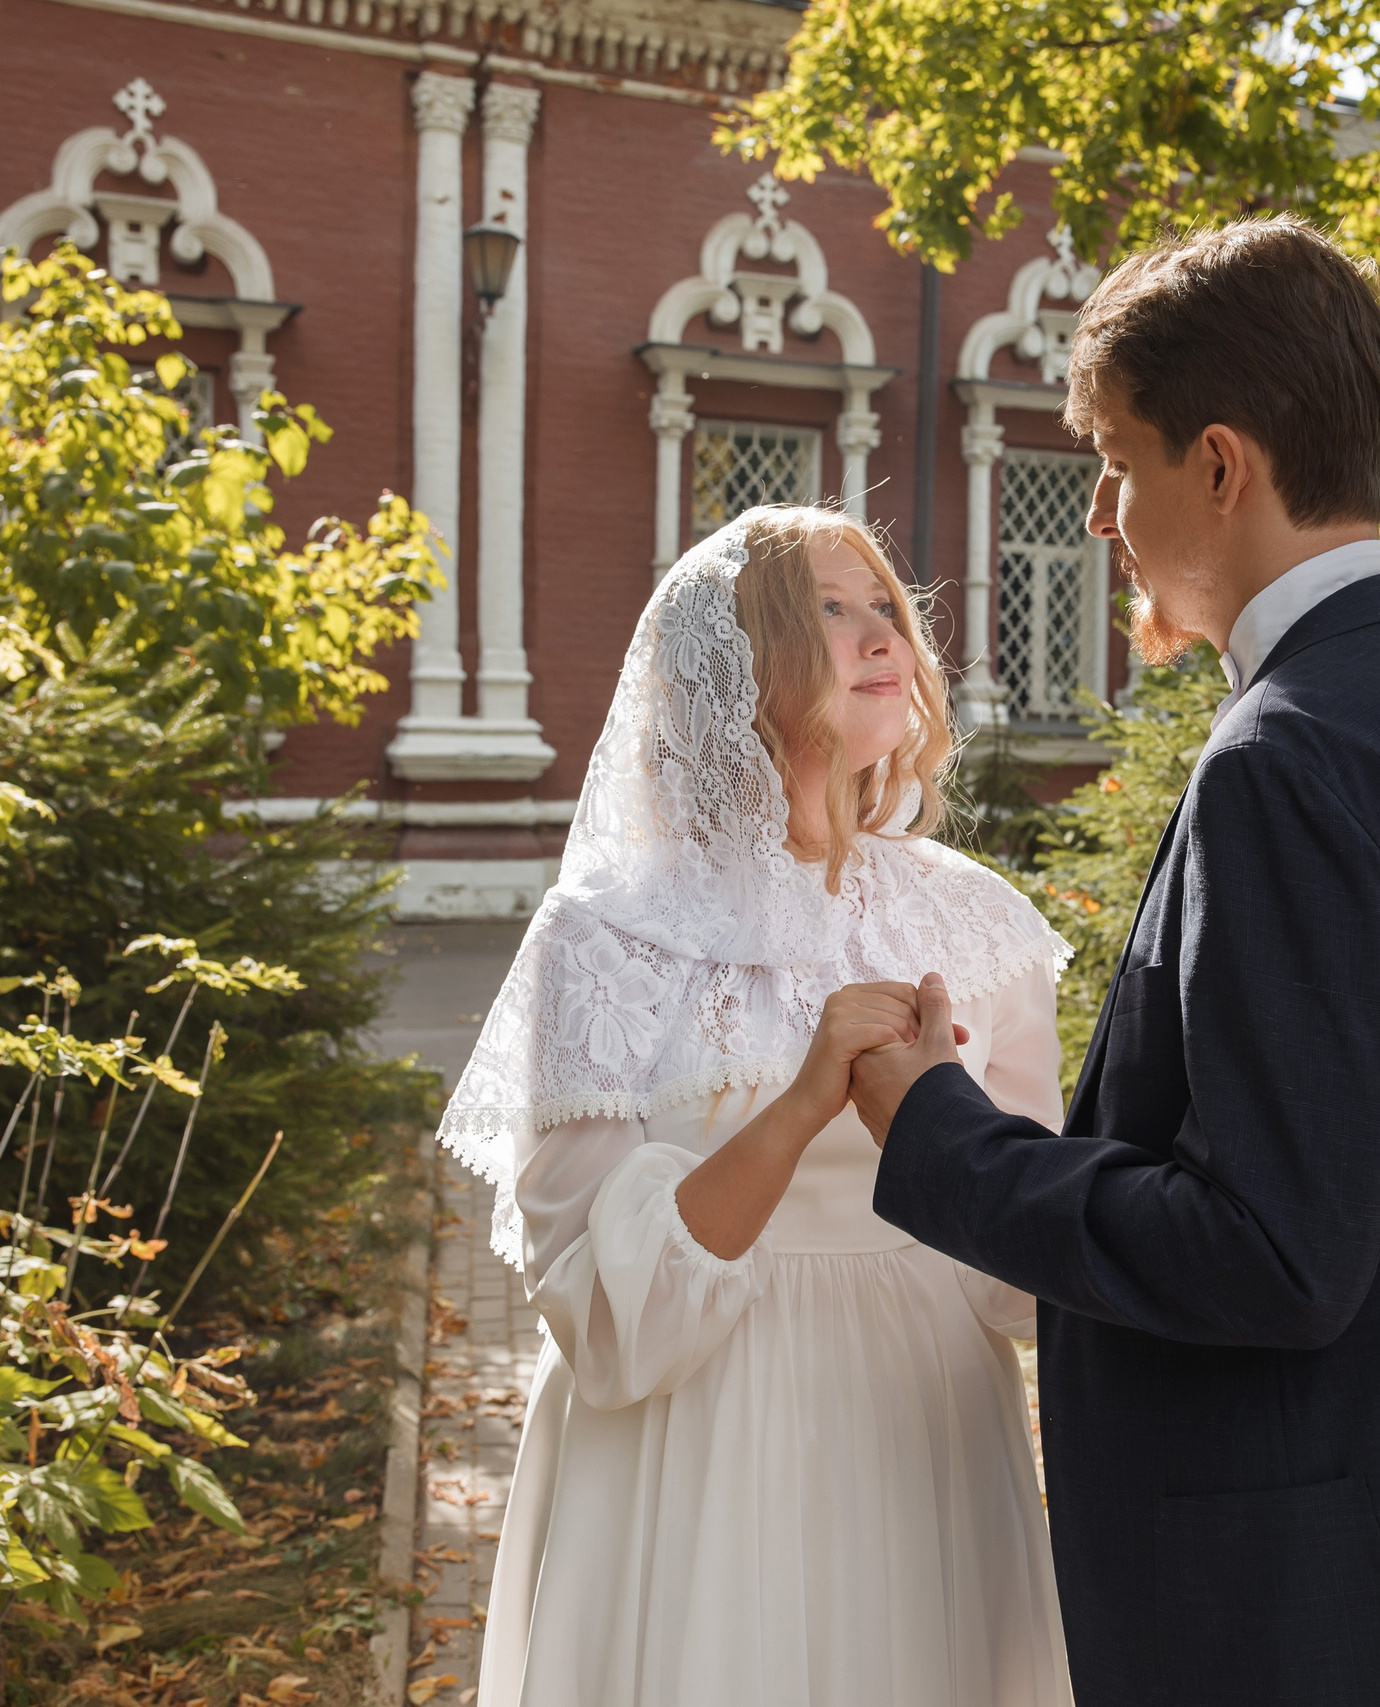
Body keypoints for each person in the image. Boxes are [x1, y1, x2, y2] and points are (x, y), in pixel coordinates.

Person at [847, 218, 1380, 1707]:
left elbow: (1277, 1252)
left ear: (1220, 465)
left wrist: (939, 1124)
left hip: (1284, 1607)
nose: (1100, 512)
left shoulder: (1285, 756)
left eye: (1115, 458)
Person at [438, 506, 1075, 1707]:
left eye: (884, 604)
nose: (878, 634)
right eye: (828, 610)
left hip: (923, 1430)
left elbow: (1022, 1279)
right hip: (696, 1450)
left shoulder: (977, 921)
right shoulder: (607, 933)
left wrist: (943, 1115)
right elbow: (605, 1322)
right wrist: (797, 1106)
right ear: (727, 663)